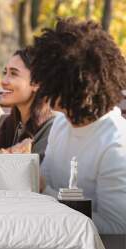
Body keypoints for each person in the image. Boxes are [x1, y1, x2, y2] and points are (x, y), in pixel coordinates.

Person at [32, 18, 126, 234]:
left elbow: (118, 227)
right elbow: (47, 182)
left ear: (77, 88)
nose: (41, 89)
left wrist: (45, 191)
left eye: (49, 83)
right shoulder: (61, 124)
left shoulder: (117, 145)